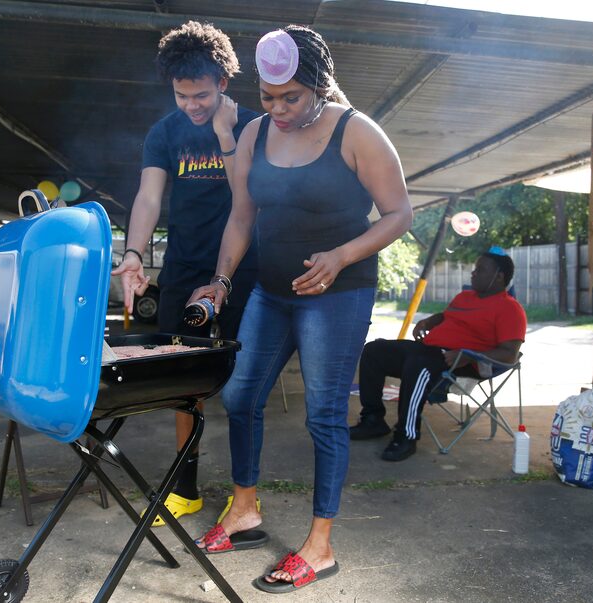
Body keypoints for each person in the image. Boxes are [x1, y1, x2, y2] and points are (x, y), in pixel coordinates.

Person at [189, 25, 412, 594]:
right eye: (268, 97)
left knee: (323, 415)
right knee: (240, 396)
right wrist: (220, 281)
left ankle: (320, 546)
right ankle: (244, 513)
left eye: (292, 97)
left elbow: (398, 214)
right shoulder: (254, 135)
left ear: (317, 85)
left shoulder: (357, 131)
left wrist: (340, 256)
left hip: (336, 294)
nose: (279, 109)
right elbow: (242, 217)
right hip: (271, 290)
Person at [110, 21, 259, 526]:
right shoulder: (164, 133)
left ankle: (245, 496)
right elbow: (150, 196)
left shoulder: (253, 125)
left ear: (223, 81)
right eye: (181, 95)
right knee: (181, 379)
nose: (192, 104)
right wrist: (134, 253)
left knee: (242, 388)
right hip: (183, 267)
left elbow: (252, 202)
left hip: (243, 270)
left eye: (201, 94)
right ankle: (186, 487)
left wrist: (224, 136)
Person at [351, 248, 527, 462]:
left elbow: (509, 354)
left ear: (499, 276)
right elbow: (447, 316)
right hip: (428, 349)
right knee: (373, 350)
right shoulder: (465, 297)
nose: (473, 273)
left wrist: (469, 355)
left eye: (480, 270)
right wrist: (429, 322)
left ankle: (407, 435)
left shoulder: (510, 309)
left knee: (419, 365)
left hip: (460, 360)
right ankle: (373, 419)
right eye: (475, 269)